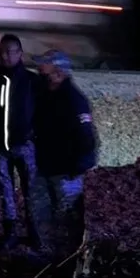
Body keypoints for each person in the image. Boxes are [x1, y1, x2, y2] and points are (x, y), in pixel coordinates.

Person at [0, 34, 41, 248]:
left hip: (26, 146)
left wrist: (36, 137)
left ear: (20, 54)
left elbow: (44, 112)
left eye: (11, 51)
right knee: (5, 192)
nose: (6, 56)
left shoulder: (32, 82)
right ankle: (10, 232)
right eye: (3, 51)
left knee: (32, 191)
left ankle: (35, 232)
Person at [33, 49, 98, 257]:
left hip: (67, 170)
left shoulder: (74, 100)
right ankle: (46, 256)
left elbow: (86, 137)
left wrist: (78, 166)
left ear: (58, 71)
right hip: (44, 167)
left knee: (68, 217)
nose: (39, 69)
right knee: (43, 214)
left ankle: (69, 258)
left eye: (44, 65)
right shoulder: (43, 95)